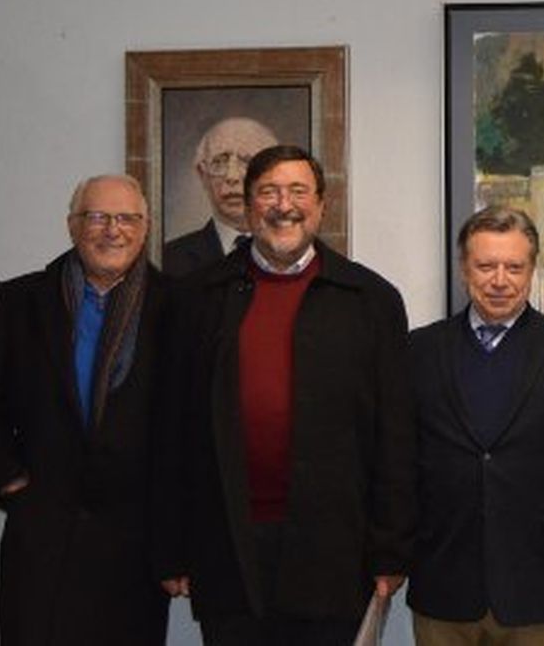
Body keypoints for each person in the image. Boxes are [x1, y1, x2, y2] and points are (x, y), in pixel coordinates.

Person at [153, 144, 415, 645]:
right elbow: (171, 431)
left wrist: (391, 548)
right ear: (249, 205)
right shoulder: (195, 299)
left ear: (321, 205)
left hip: (334, 551)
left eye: (298, 191)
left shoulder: (370, 300)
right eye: (269, 192)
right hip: (226, 546)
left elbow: (395, 436)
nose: (283, 205)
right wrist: (170, 546)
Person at [0, 174, 170, 645]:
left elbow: (188, 429)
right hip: (42, 541)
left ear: (145, 228)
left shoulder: (176, 307)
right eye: (96, 217)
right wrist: (11, 481)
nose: (112, 230)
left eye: (126, 218)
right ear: (72, 226)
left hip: (135, 548)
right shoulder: (17, 303)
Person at [407, 206, 544, 646]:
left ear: (532, 270)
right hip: (444, 582)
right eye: (486, 266)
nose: (499, 280)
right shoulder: (418, 350)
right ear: (464, 269)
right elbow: (399, 459)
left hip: (541, 585)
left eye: (514, 267)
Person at [161, 116, 279, 276]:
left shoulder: (294, 251)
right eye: (219, 162)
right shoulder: (169, 260)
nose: (232, 176)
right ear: (202, 175)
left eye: (247, 161)